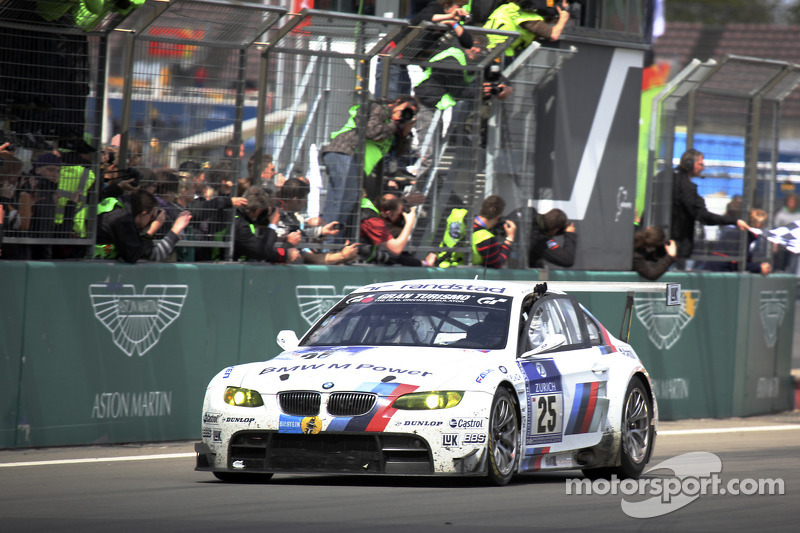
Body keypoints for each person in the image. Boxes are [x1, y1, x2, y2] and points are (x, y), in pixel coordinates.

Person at [320, 96, 418, 240]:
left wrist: (404, 132)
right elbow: (372, 131)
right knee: (343, 200)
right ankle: (329, 245)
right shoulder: (378, 108)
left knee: (339, 201)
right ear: (397, 103)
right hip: (346, 152)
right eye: (405, 109)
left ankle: (325, 241)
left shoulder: (391, 128)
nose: (405, 113)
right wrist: (394, 122)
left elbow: (397, 153)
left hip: (352, 161)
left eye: (410, 112)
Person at [377, 0, 474, 99]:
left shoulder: (452, 20)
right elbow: (424, 18)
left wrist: (453, 23)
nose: (461, 9)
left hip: (403, 61)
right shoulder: (435, 7)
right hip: (392, 56)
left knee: (403, 97)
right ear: (447, 4)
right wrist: (448, 17)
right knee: (388, 96)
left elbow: (468, 42)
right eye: (459, 5)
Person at [669, 149, 749, 266]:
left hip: (658, 239)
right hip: (675, 245)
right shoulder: (687, 188)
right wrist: (734, 221)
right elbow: (703, 216)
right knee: (673, 283)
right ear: (689, 164)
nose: (704, 168)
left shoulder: (664, 177)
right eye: (701, 164)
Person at [94, 189, 192, 264]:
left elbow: (149, 253)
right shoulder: (122, 220)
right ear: (143, 214)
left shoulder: (123, 209)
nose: (153, 220)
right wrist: (153, 230)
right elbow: (133, 256)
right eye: (152, 216)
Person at [359, 193, 437, 266]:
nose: (399, 217)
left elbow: (388, 203)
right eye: (398, 214)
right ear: (388, 213)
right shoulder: (372, 221)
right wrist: (409, 223)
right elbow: (396, 249)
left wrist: (405, 201)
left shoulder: (366, 203)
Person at [484, 0, 571, 59]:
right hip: (502, 54)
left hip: (490, 50)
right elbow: (553, 35)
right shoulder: (526, 17)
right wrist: (564, 17)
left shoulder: (508, 8)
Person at [233, 186, 299, 263]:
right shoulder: (241, 226)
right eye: (270, 210)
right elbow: (263, 253)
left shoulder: (237, 216)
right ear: (258, 211)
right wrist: (273, 224)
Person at [471, 194, 516, 268]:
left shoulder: (463, 220)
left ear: (481, 209)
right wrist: (509, 239)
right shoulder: (486, 239)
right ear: (498, 217)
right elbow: (496, 263)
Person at [773, 193, 799, 273]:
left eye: (793, 202)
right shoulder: (781, 214)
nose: (792, 204)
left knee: (793, 266)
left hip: (794, 245)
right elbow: (776, 229)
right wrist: (775, 244)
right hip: (782, 244)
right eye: (790, 201)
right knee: (781, 266)